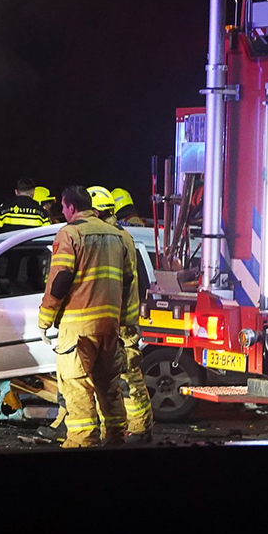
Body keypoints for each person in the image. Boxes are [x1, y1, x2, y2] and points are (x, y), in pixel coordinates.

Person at [38, 186, 136, 448]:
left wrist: (45, 319)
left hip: (78, 328)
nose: (62, 212)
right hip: (109, 326)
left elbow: (61, 278)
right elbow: (128, 280)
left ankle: (83, 443)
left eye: (63, 207)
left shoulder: (70, 233)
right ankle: (115, 438)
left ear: (70, 207)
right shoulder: (117, 235)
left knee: (77, 386)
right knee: (109, 385)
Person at [89, 185, 154, 441]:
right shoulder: (119, 235)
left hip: (119, 320)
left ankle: (138, 429)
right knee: (118, 376)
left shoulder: (112, 237)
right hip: (118, 317)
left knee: (127, 376)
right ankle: (125, 429)